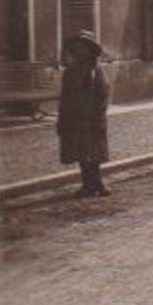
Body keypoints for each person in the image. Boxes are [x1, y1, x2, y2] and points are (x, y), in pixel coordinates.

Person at [57, 30, 110, 198]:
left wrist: (99, 114)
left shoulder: (95, 70)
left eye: (84, 47)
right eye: (77, 47)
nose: (80, 50)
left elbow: (103, 94)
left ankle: (97, 183)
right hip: (74, 117)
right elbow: (66, 96)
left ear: (90, 50)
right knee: (80, 152)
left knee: (94, 152)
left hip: (91, 117)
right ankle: (88, 184)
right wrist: (63, 117)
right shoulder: (71, 71)